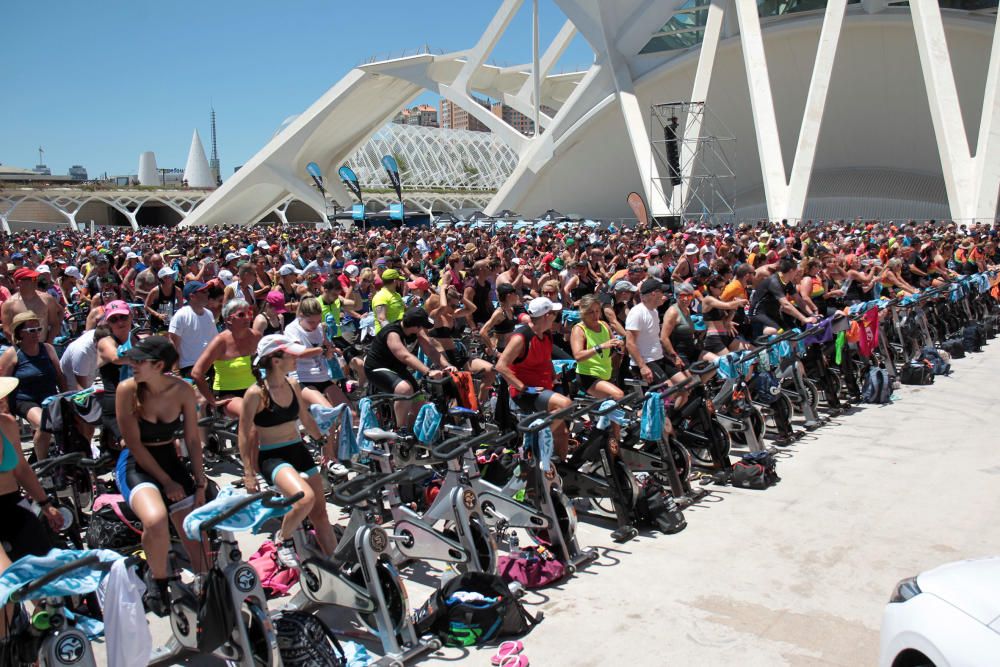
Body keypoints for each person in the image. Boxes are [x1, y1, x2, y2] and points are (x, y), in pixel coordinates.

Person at [114, 336, 207, 616]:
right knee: (155, 520)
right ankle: (158, 578)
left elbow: (192, 440)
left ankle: (205, 591)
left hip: (171, 459)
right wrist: (166, 482)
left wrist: (200, 483)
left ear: (159, 365)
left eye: (139, 361)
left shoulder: (183, 391)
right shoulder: (126, 390)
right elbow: (133, 444)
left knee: (195, 531)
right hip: (137, 464)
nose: (132, 365)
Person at [239, 335, 338, 567]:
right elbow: (243, 434)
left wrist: (324, 441)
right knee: (305, 500)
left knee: (320, 514)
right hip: (273, 456)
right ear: (275, 360)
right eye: (290, 354)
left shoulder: (292, 384)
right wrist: (248, 473)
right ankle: (283, 539)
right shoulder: (255, 393)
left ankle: (337, 566)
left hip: (297, 450)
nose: (295, 358)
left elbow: (305, 418)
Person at [495, 297, 574, 459]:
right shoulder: (521, 337)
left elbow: (546, 358)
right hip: (526, 392)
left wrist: (553, 375)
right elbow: (501, 366)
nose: (556, 317)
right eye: (554, 313)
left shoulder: (546, 334)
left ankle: (559, 470)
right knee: (566, 405)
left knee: (563, 432)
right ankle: (533, 438)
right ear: (546, 316)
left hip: (544, 388)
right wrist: (523, 387)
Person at [0, 377, 63, 562]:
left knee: (46, 562)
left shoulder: (8, 424)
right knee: (6, 574)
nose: (4, 399)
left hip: (11, 502)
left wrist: (45, 504)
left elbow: (22, 469)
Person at [364, 307, 455, 431]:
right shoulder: (392, 333)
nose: (424, 329)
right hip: (377, 368)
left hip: (396, 369)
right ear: (416, 326)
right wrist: (428, 372)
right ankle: (400, 430)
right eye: (423, 326)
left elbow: (431, 350)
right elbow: (404, 356)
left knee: (420, 407)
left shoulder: (416, 331)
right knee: (404, 389)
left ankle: (413, 437)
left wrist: (446, 365)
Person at [0, 311, 65, 460]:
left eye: (39, 329)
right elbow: (2, 383)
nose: (36, 333)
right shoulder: (12, 354)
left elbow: (60, 377)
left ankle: (36, 459)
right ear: (20, 333)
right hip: (25, 400)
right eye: (31, 330)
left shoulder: (48, 349)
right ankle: (43, 465)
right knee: (44, 424)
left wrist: (68, 397)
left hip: (49, 397)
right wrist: (5, 411)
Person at [191, 299, 260, 419]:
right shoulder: (220, 341)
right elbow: (197, 373)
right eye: (241, 315)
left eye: (249, 313)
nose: (247, 318)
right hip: (229, 394)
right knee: (248, 413)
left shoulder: (256, 336)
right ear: (229, 319)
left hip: (254, 389)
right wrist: (212, 400)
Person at [571, 294, 624, 401]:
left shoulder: (604, 325)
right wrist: (601, 347)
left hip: (606, 374)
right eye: (591, 312)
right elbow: (578, 356)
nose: (595, 315)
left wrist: (618, 346)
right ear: (583, 312)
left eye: (597, 311)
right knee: (618, 395)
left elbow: (612, 347)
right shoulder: (579, 329)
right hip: (588, 377)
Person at [96, 301, 133, 451]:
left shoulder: (138, 338)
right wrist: (148, 353)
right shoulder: (105, 342)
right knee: (130, 446)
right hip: (117, 404)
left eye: (123, 317)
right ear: (108, 323)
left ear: (131, 316)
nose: (119, 322)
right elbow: (117, 359)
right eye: (114, 319)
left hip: (141, 399)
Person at [749, 258, 817, 337]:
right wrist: (804, 319)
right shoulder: (774, 282)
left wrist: (812, 315)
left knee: (793, 335)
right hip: (758, 314)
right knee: (779, 333)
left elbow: (799, 300)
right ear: (791, 271)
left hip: (772, 313)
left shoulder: (787, 282)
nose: (797, 274)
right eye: (796, 271)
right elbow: (786, 305)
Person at [168, 280, 217, 377]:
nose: (208, 294)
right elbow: (173, 344)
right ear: (192, 296)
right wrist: (176, 372)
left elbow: (214, 340)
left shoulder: (209, 314)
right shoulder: (181, 315)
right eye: (203, 292)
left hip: (209, 365)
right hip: (190, 368)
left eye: (207, 291)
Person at [1, 267, 62, 345]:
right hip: (21, 348)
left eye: (36, 278)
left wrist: (48, 344)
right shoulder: (8, 304)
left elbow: (54, 323)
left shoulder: (47, 299)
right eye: (32, 279)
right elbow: (7, 329)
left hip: (43, 345)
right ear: (20, 282)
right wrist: (20, 347)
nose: (36, 281)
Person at [144, 266, 183, 333]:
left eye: (172, 275)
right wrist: (158, 315)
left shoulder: (177, 290)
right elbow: (146, 306)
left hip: (170, 321)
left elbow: (181, 307)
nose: (173, 278)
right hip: (155, 321)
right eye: (170, 276)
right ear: (163, 278)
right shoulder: (155, 291)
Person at [372, 268, 405, 333]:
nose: (400, 282)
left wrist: (412, 305)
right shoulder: (381, 296)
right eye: (399, 280)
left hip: (400, 331)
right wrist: (392, 334)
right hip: (388, 335)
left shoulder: (397, 294)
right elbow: (382, 319)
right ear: (395, 281)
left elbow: (403, 311)